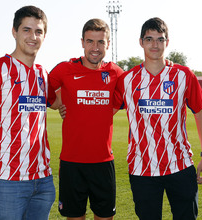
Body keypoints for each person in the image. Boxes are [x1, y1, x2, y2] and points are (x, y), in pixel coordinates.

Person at [0, 6, 59, 220]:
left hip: (43, 181)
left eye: (39, 31)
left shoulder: (43, 74)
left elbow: (58, 103)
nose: (33, 37)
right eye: (26, 30)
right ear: (14, 32)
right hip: (6, 180)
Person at [113, 17, 202, 220]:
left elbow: (200, 112)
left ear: (167, 42)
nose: (155, 44)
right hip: (142, 168)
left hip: (180, 165)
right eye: (149, 39)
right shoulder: (127, 80)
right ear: (141, 42)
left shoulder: (183, 75)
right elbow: (104, 110)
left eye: (160, 39)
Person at [49, 18, 124, 220]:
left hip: (103, 162)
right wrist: (60, 105)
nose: (95, 47)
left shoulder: (116, 73)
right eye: (90, 41)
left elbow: (127, 95)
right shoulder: (64, 69)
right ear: (82, 42)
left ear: (108, 44)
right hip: (72, 163)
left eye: (101, 42)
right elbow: (46, 94)